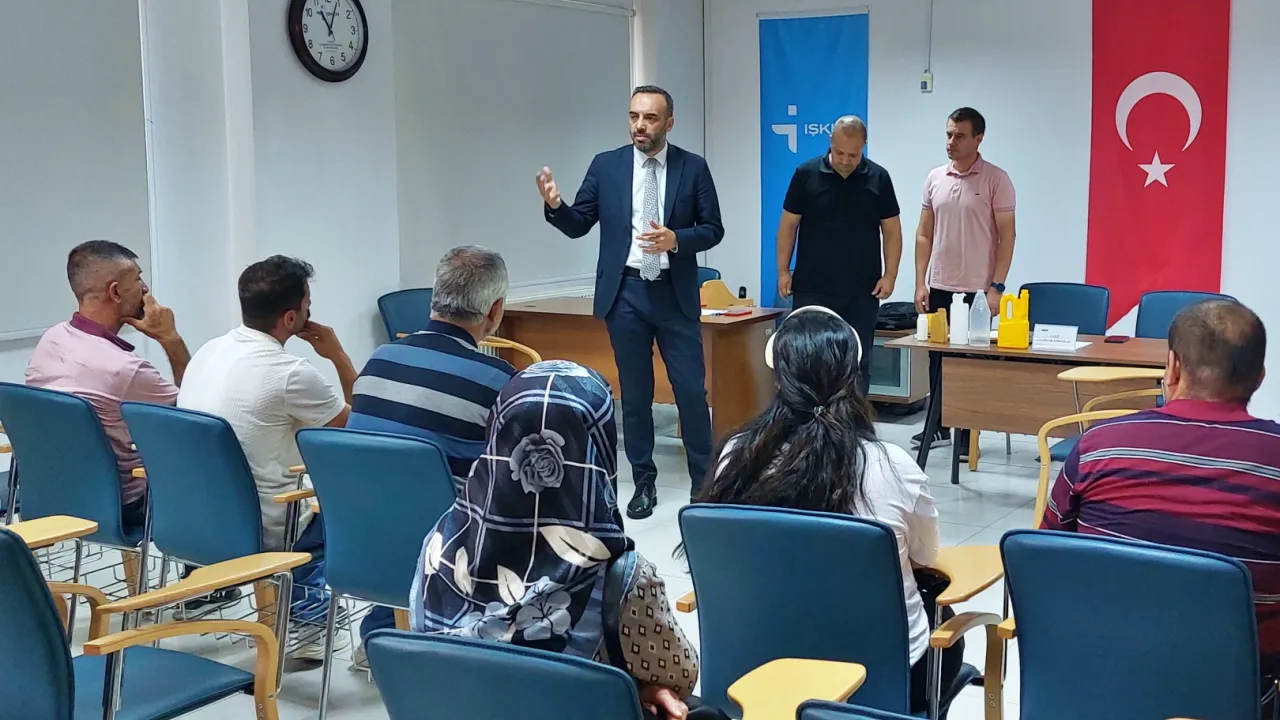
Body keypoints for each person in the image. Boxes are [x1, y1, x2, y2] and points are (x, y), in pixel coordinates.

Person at [410, 361, 722, 720]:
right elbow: (680, 674)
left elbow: (447, 662)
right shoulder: (621, 578)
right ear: (597, 449)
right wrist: (630, 686)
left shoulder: (439, 545)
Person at [697, 306, 959, 715]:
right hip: (879, 682)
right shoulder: (892, 466)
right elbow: (926, 555)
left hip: (757, 669)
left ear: (779, 379)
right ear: (853, 380)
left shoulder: (735, 457)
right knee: (945, 619)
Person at [1042, 299, 1280, 690]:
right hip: (1234, 696)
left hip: (1094, 688)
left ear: (1172, 367)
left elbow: (1046, 563)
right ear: (1260, 376)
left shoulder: (1098, 446)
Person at [537, 85, 725, 520]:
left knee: (690, 392)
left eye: (650, 118)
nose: (640, 125)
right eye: (634, 116)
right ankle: (644, 482)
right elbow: (579, 223)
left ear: (669, 123)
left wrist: (677, 239)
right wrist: (556, 206)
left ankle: (704, 484)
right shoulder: (607, 166)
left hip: (674, 293)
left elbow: (713, 228)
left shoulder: (693, 167)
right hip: (626, 292)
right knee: (636, 396)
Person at [178, 255, 356, 660]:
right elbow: (360, 426)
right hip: (265, 527)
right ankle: (308, 621)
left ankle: (292, 606)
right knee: (348, 505)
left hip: (196, 519)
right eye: (307, 305)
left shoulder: (208, 350)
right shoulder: (291, 373)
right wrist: (338, 356)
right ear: (292, 318)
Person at [346, 246, 516, 657]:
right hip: (446, 553)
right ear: (495, 310)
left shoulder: (378, 361)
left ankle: (385, 629)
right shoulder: (497, 380)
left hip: (360, 539)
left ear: (434, 299)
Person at [25, 241, 190, 531]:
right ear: (115, 292)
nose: (145, 290)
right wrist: (171, 339)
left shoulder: (51, 340)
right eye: (138, 279)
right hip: (126, 506)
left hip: (58, 497)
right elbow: (195, 414)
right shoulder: (125, 369)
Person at [912, 107, 1016, 450]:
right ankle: (939, 426)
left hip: (979, 289)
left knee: (972, 361)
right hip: (940, 284)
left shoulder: (996, 179)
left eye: (959, 136)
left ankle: (968, 435)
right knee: (937, 358)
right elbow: (924, 233)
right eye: (948, 134)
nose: (951, 142)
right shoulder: (935, 177)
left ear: (978, 139)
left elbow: (1007, 236)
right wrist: (920, 282)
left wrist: (997, 287)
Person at [775, 116, 903, 396]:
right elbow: (788, 225)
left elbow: (892, 230)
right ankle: (808, 419)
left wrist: (890, 275)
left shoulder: (879, 178)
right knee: (807, 360)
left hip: (862, 290)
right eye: (840, 152)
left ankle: (853, 420)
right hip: (812, 287)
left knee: (857, 361)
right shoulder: (805, 173)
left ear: (864, 146)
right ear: (830, 142)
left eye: (853, 155)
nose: (845, 160)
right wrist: (783, 270)